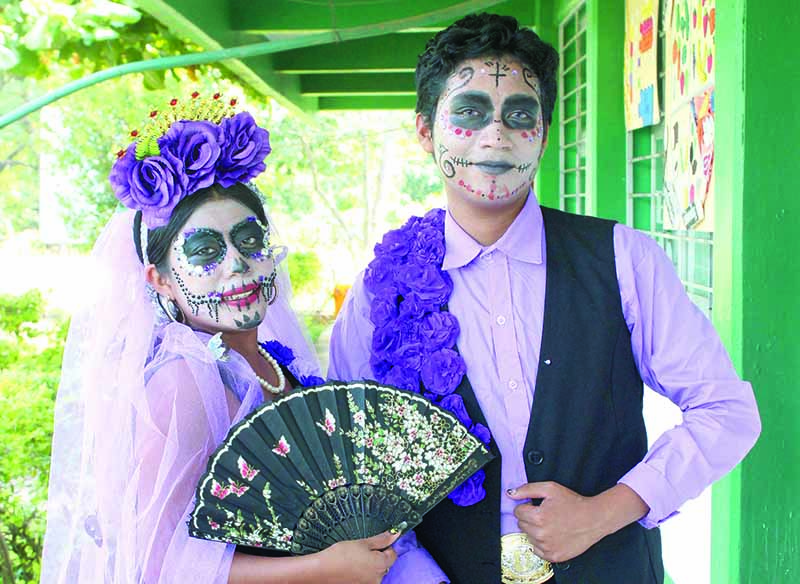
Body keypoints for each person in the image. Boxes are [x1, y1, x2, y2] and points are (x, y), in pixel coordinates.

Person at [328, 13, 761, 584]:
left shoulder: (623, 258)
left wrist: (609, 509)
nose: (496, 134)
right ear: (426, 131)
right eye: (469, 112)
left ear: (545, 132)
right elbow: (352, 465)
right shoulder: (382, 291)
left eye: (519, 115)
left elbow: (727, 411)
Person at [40, 95, 399, 583]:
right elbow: (157, 563)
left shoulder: (273, 362)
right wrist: (322, 567)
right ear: (160, 280)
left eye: (249, 240)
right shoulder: (183, 383)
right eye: (206, 250)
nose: (237, 264)